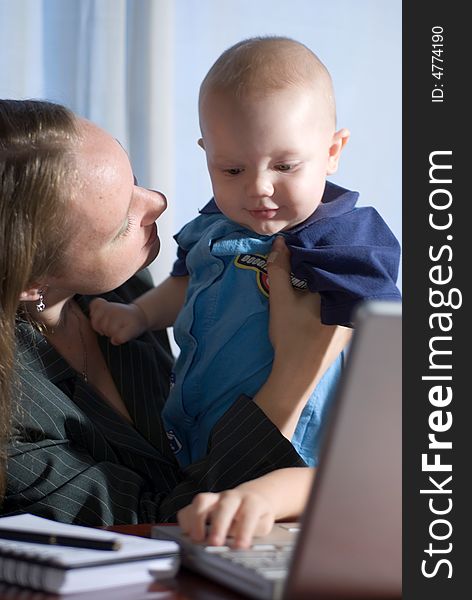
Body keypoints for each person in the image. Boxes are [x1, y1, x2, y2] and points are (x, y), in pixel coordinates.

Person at [0, 98, 349, 546]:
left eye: (136, 181)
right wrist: (293, 379)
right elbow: (156, 524)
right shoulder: (12, 426)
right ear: (31, 280)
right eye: (121, 224)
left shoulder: (119, 292)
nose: (159, 203)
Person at [91, 36, 402, 468]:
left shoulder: (343, 239)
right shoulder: (210, 227)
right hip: (198, 425)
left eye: (285, 166)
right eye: (232, 169)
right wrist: (140, 314)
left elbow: (388, 337)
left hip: (294, 447)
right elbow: (184, 284)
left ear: (332, 152)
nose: (258, 187)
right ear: (207, 156)